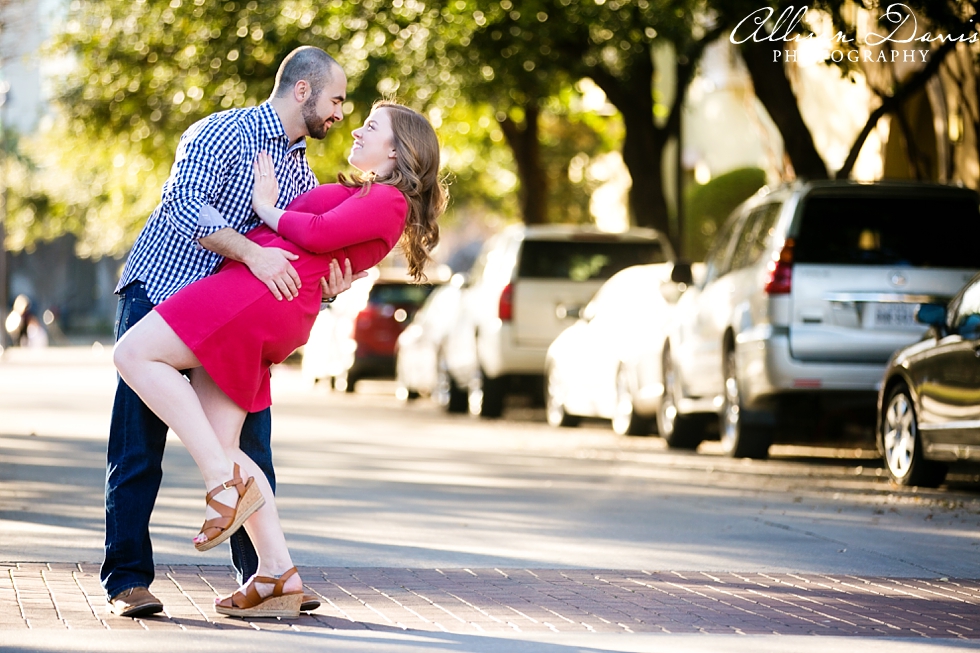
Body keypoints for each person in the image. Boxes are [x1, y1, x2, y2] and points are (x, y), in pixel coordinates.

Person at [113, 100, 445, 617]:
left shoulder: (387, 199)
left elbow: (315, 235)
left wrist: (266, 209)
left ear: (398, 151)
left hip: (253, 296)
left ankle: (221, 486)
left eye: (371, 125)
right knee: (223, 444)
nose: (354, 125)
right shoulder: (364, 192)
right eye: (346, 108)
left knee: (133, 353)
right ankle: (276, 572)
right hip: (260, 295)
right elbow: (327, 249)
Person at [103, 45, 357, 618]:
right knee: (138, 446)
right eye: (336, 98)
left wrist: (325, 284)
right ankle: (126, 580)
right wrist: (253, 254)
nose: (341, 112)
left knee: (252, 448)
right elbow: (186, 204)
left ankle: (264, 576)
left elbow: (296, 248)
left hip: (230, 320)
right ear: (302, 90)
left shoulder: (300, 171)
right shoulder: (220, 131)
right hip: (161, 295)